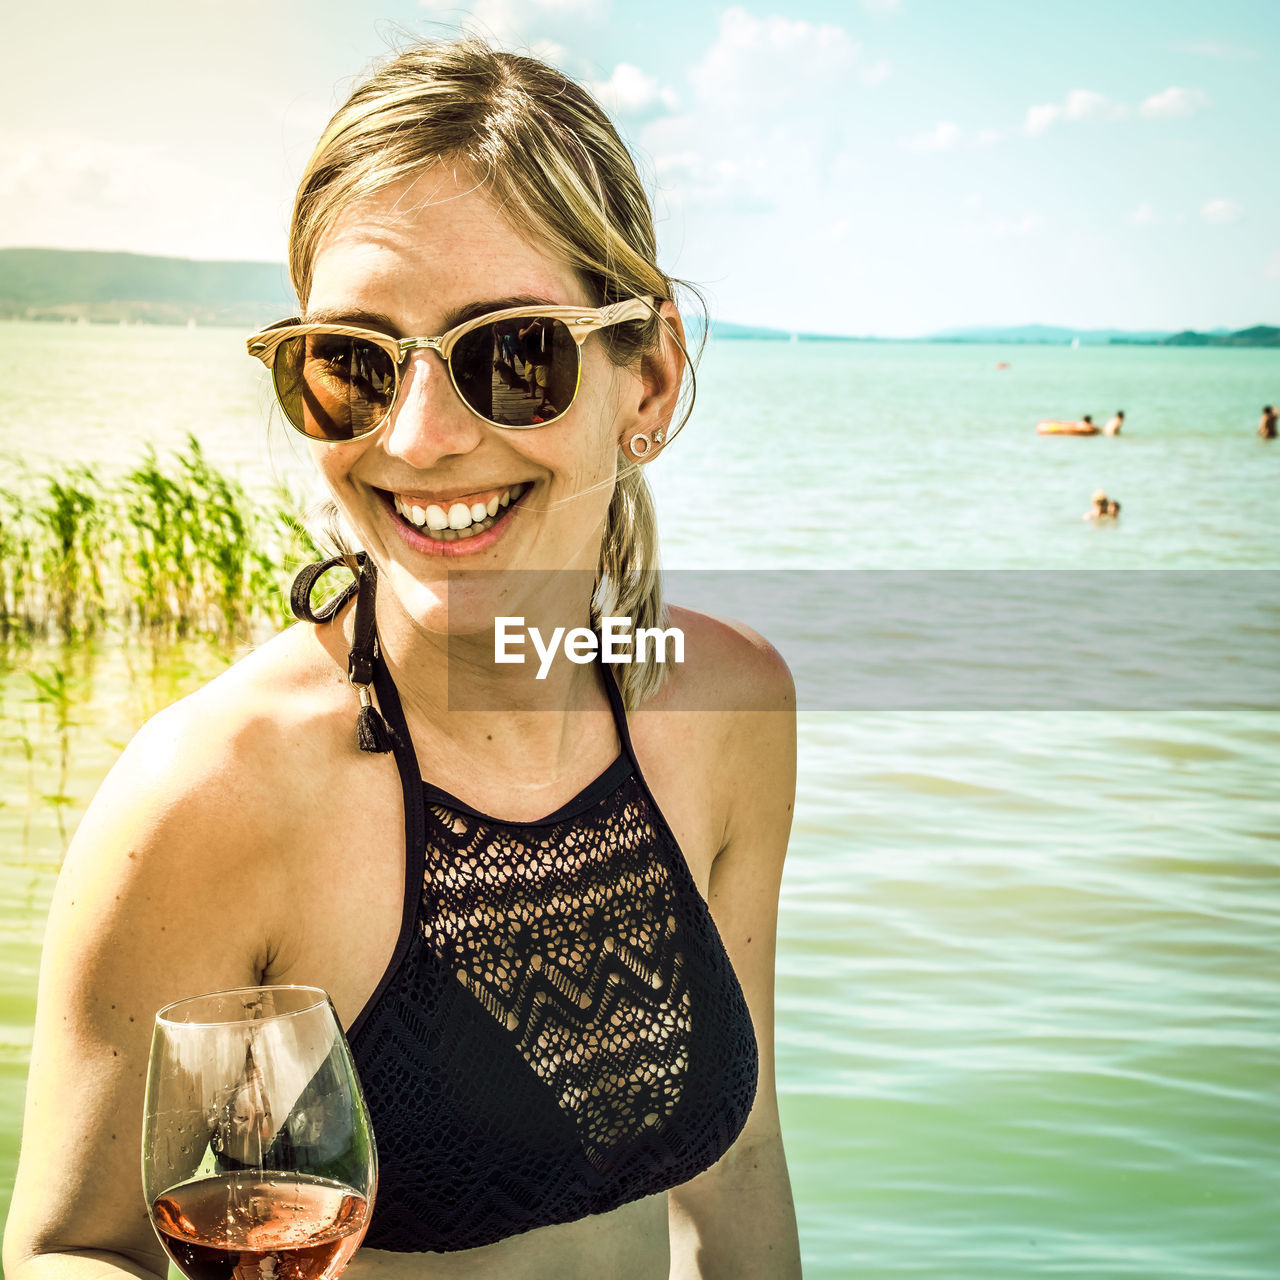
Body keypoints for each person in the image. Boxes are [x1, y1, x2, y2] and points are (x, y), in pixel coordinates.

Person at [3, 38, 801, 1280]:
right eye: (354, 365)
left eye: (513, 355)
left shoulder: (728, 705)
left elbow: (739, 1157)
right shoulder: (211, 794)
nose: (420, 439)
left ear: (644, 377)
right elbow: (70, 1246)